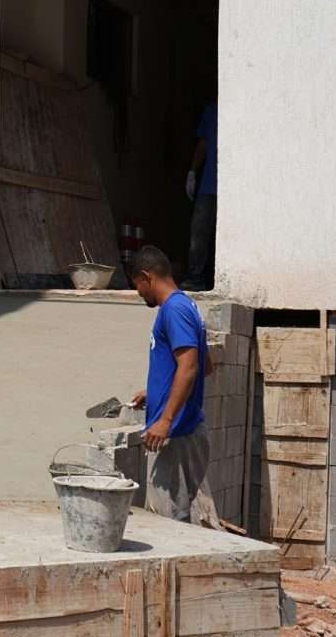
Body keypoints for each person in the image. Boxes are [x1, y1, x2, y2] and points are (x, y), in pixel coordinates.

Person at [128, 245, 214, 523]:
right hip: (181, 432)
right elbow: (206, 365)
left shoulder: (173, 310)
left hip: (176, 435)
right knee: (177, 519)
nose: (138, 293)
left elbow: (190, 367)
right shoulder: (187, 306)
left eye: (137, 285)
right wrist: (154, 393)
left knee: (168, 524)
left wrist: (165, 419)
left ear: (146, 276)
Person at [183, 102, 217, 291]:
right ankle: (195, 278)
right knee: (199, 232)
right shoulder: (211, 111)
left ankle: (216, 280)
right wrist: (192, 172)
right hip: (208, 184)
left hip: (232, 186)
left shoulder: (241, 106)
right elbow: (203, 144)